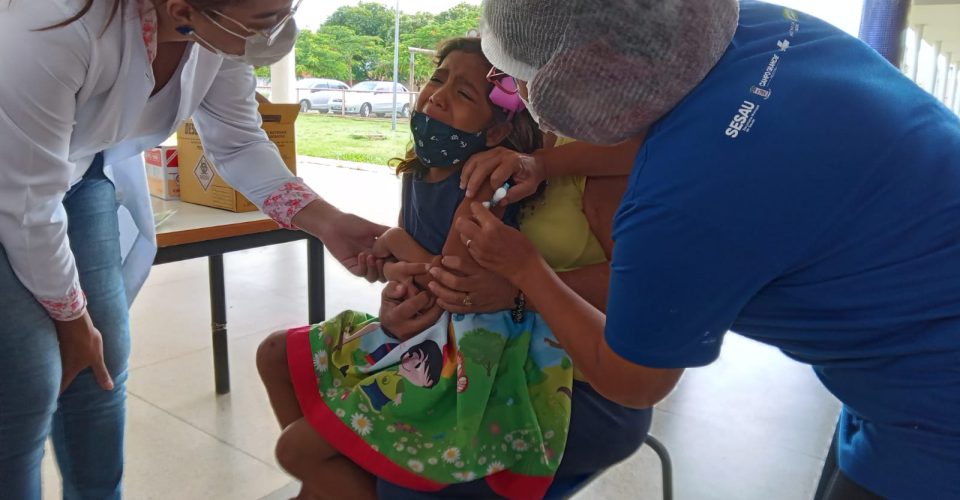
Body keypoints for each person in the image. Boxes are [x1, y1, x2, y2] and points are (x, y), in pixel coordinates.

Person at [458, 1, 960, 499]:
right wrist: (546, 163)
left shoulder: (680, 201)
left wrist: (524, 271)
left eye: (519, 78)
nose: (519, 94)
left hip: (934, 401)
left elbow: (633, 380)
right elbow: (672, 122)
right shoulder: (749, 28)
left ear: (589, 69)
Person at [0, 1, 387, 497]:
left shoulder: (213, 31)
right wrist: (73, 321)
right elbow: (28, 205)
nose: (279, 32)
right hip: (13, 183)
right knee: (28, 383)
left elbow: (239, 144)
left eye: (285, 10)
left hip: (76, 172)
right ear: (182, 8)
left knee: (103, 369)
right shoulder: (50, 27)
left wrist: (328, 222)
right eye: (265, 20)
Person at [256, 37, 651, 500]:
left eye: (471, 90)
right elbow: (431, 274)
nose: (438, 98)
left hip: (551, 373)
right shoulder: (450, 166)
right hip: (455, 342)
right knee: (287, 376)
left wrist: (518, 285)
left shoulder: (589, 156)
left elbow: (642, 292)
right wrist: (395, 300)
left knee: (329, 460)